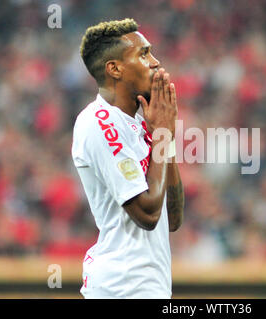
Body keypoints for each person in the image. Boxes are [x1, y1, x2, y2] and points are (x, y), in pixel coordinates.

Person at [71, 18, 184, 299]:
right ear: (115, 69)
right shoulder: (99, 122)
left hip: (146, 287)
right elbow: (146, 214)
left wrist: (164, 137)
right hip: (121, 288)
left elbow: (173, 216)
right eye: (144, 54)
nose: (156, 62)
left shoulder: (138, 125)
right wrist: (161, 137)